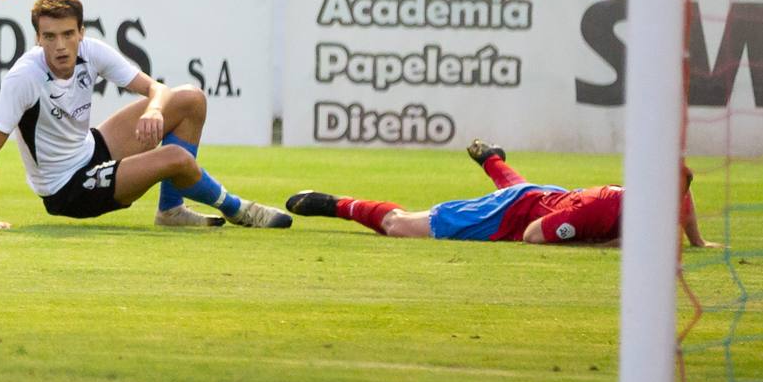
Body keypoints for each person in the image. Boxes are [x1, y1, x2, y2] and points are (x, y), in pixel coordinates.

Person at [0, 0, 293, 230]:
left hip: (91, 149)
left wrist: (155, 110)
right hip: (66, 188)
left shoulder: (90, 51)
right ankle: (240, 210)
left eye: (68, 34)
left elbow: (158, 89)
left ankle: (171, 211)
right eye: (50, 37)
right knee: (176, 160)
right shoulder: (25, 77)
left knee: (190, 99)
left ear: (81, 32)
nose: (60, 45)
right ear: (38, 39)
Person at [287, 140, 711, 246]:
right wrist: (615, 245)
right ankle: (336, 204)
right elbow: (534, 236)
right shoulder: (601, 210)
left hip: (547, 196)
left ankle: (493, 158)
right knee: (401, 228)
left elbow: (687, 213)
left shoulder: (675, 194)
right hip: (514, 214)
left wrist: (699, 241)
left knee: (525, 190)